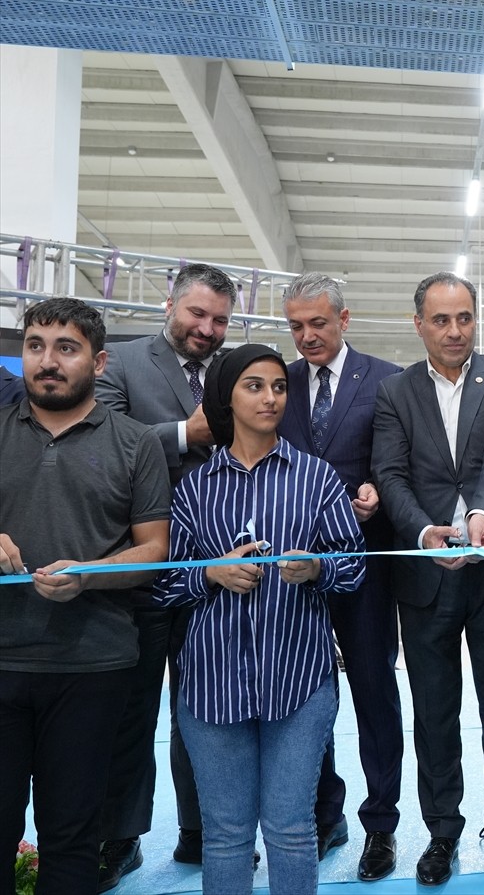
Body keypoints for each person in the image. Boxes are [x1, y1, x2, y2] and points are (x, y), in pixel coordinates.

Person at [156, 343, 365, 895]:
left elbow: (355, 567)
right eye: (254, 385)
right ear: (225, 396)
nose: (271, 397)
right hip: (211, 686)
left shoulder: (317, 479)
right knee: (225, 835)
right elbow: (163, 583)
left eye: (278, 386)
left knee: (291, 829)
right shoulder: (194, 490)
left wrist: (318, 568)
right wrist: (210, 575)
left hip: (299, 681)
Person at [0, 298, 170, 895]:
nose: (47, 361)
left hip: (93, 666)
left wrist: (90, 574)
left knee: (72, 839)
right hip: (1, 660)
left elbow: (154, 551)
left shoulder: (136, 444)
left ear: (98, 363)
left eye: (66, 348)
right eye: (36, 346)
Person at [372, 271, 484, 886]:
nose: (455, 330)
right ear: (419, 325)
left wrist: (479, 518)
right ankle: (442, 833)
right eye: (440, 320)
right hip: (425, 578)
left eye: (464, 317)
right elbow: (390, 474)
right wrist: (423, 534)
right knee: (433, 714)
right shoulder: (394, 392)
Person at [94, 261, 237, 883]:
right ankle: (119, 835)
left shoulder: (236, 375)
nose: (206, 329)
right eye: (196, 313)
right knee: (131, 710)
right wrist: (185, 432)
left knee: (206, 710)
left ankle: (202, 831)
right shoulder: (121, 363)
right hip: (141, 567)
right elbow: (100, 441)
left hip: (217, 573)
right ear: (170, 307)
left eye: (219, 320)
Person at [277, 272, 405, 881]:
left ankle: (380, 824)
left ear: (344, 319)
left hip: (367, 566)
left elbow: (397, 458)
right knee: (305, 696)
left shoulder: (386, 380)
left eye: (318, 324)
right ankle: (325, 812)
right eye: (296, 326)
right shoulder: (278, 383)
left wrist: (379, 490)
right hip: (295, 570)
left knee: (374, 692)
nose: (306, 337)